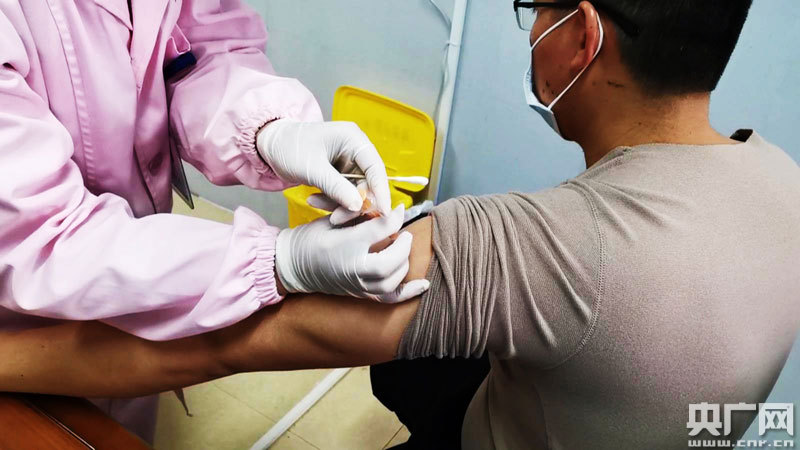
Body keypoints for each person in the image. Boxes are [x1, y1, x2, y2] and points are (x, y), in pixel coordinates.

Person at [2, 0, 799, 448]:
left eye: (535, 8)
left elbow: (231, 343)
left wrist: (269, 135)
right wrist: (278, 249)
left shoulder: (532, 249)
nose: (531, 28)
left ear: (580, 38)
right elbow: (45, 240)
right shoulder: (781, 179)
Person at [0, 0, 429, 442]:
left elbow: (199, 44)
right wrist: (276, 261)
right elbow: (41, 239)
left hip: (129, 286)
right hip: (24, 321)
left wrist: (268, 128)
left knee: (125, 418)